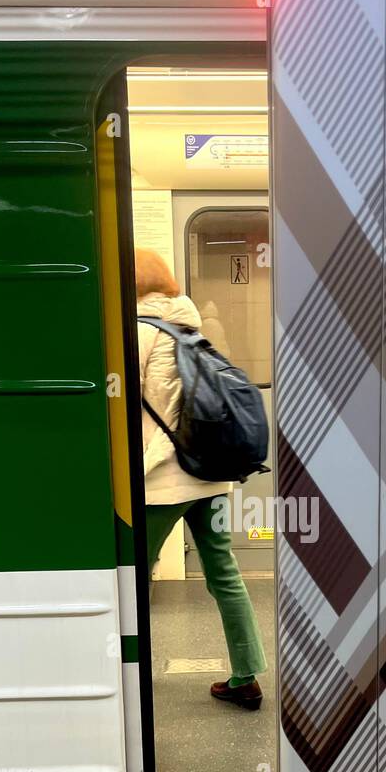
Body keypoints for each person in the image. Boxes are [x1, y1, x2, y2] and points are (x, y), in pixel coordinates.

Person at [135, 248, 266, 711]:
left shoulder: (138, 334)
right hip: (210, 477)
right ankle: (246, 675)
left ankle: (125, 673)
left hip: (160, 484)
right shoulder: (193, 329)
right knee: (224, 574)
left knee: (131, 576)